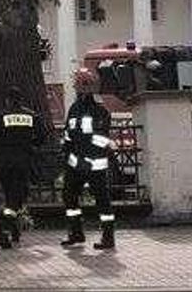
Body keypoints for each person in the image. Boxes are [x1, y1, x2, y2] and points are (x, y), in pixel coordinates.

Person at [60, 67, 116, 250]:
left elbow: (102, 138)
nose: (78, 88)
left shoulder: (100, 110)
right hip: (75, 163)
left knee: (102, 200)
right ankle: (76, 232)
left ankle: (108, 237)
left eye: (80, 84)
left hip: (94, 165)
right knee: (69, 197)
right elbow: (69, 134)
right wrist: (67, 154)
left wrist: (85, 154)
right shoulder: (75, 108)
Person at [0, 85, 46, 249]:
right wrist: (30, 144)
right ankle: (5, 231)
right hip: (23, 161)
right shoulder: (31, 115)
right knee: (17, 198)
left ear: (8, 100)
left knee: (10, 196)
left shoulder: (1, 116)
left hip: (4, 163)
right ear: (21, 100)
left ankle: (13, 232)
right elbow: (42, 137)